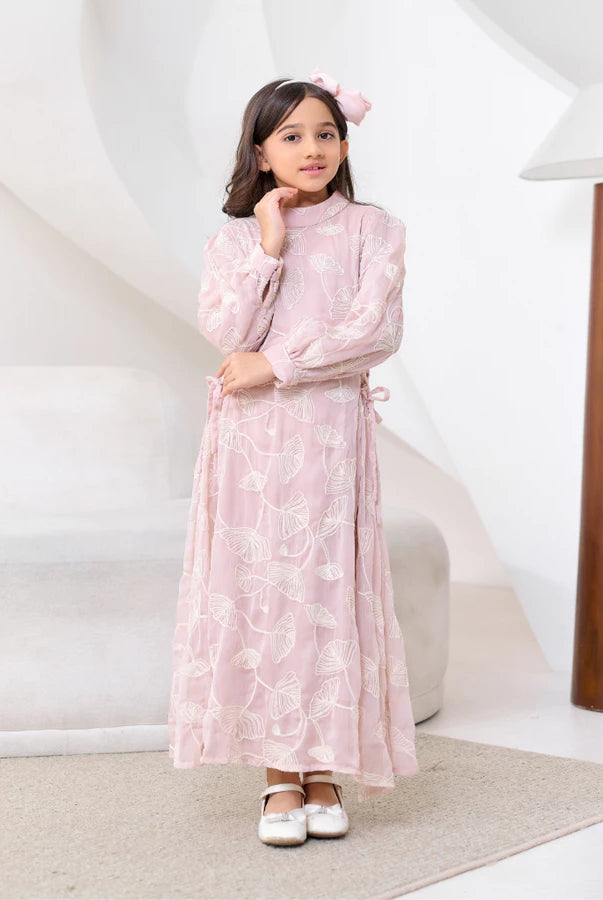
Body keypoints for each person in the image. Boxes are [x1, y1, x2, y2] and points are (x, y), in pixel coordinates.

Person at [168, 66, 420, 847]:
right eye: (291, 135)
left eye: (325, 133)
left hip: (328, 439)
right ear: (260, 150)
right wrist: (270, 248)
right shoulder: (235, 239)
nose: (312, 148)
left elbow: (373, 332)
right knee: (261, 595)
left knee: (324, 593)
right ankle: (279, 773)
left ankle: (324, 768)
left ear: (343, 143)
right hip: (249, 446)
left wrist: (279, 366)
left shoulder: (373, 231)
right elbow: (228, 330)